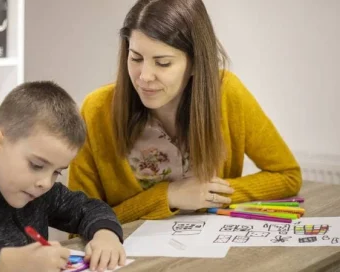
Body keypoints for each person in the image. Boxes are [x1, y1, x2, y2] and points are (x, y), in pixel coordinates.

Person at [68, 0, 302, 225]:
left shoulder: (227, 93)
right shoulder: (96, 110)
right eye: (136, 58)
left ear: (195, 63)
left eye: (163, 63)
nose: (144, 76)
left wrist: (209, 195)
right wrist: (169, 196)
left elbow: (287, 175)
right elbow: (78, 220)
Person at [0, 81, 125, 272]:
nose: (46, 182)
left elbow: (89, 208)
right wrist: (8, 263)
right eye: (37, 165)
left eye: (57, 172)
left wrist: (105, 235)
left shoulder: (40, 192)